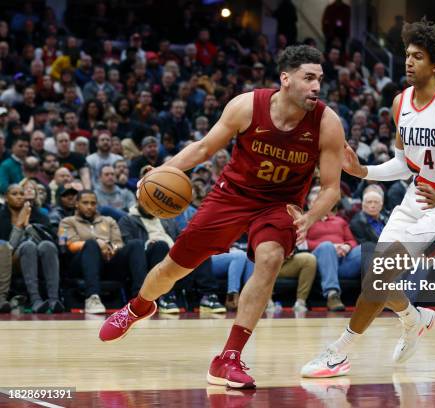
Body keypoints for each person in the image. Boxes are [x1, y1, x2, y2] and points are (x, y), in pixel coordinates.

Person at [99, 45, 345, 389]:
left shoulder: (327, 123)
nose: (317, 86)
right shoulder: (247, 105)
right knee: (175, 266)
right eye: (309, 78)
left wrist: (311, 217)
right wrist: (163, 170)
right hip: (232, 195)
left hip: (280, 204)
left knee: (270, 258)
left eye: (319, 79)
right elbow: (202, 149)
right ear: (286, 79)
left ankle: (228, 357)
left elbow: (332, 188)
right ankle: (139, 306)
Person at [301, 19, 435, 378]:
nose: (408, 62)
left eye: (417, 57)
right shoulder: (399, 102)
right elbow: (406, 164)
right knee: (377, 276)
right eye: (407, 55)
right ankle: (414, 318)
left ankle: (339, 352)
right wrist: (363, 172)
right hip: (417, 195)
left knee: (381, 275)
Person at [60, 190, 148, 314]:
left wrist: (112, 248)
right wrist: (97, 242)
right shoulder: (67, 221)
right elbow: (71, 245)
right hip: (80, 265)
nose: (89, 206)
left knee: (136, 244)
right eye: (85, 203)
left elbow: (119, 243)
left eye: (93, 203)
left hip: (109, 262)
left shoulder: (109, 221)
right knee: (91, 244)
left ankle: (139, 299)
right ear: (77, 204)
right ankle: (92, 297)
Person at [0, 184, 62, 313]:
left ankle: (54, 299)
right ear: (6, 197)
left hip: (38, 257)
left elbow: (48, 240)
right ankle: (35, 300)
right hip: (11, 260)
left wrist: (27, 225)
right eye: (14, 194)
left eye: (21, 194)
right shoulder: (1, 216)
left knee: (47, 245)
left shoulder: (39, 215)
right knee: (28, 246)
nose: (19, 197)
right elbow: (8, 249)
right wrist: (18, 226)